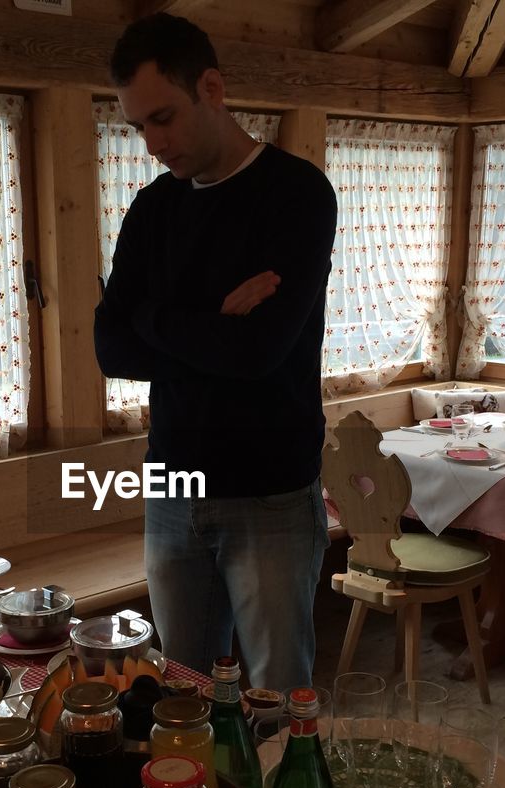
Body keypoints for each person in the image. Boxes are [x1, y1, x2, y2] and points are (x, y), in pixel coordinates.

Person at [94, 13, 337, 691]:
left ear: (212, 87)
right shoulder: (151, 210)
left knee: (279, 703)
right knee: (182, 694)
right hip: (171, 485)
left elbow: (259, 351)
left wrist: (153, 318)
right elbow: (111, 348)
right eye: (139, 126)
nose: (152, 143)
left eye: (163, 118)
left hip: (271, 492)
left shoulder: (297, 194)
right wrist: (210, 325)